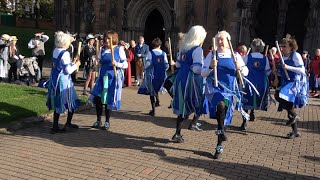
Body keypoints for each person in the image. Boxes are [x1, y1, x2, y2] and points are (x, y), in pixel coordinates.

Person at [201, 30, 249, 159]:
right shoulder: (211, 55)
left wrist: (240, 67)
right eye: (218, 39)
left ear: (228, 42)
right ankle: (221, 133)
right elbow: (203, 73)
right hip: (215, 89)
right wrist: (211, 67)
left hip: (229, 90)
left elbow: (246, 71)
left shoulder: (235, 55)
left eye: (222, 39)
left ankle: (219, 145)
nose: (220, 42)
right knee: (221, 106)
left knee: (223, 119)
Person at [171, 25, 207, 143]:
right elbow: (197, 68)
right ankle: (193, 123)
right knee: (198, 101)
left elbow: (178, 65)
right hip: (192, 81)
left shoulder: (183, 48)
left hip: (181, 78)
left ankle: (178, 133)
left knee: (182, 106)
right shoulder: (197, 50)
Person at [90, 30, 128, 130]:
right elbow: (99, 62)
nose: (106, 40)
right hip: (102, 77)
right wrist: (96, 62)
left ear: (113, 39)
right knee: (98, 98)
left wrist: (117, 64)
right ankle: (98, 120)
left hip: (112, 78)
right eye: (105, 38)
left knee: (108, 100)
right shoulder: (102, 49)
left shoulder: (119, 49)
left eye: (108, 38)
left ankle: (107, 121)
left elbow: (126, 64)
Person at [46, 31, 81, 133]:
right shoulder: (65, 53)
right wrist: (76, 65)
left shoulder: (55, 50)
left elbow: (61, 65)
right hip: (63, 81)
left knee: (58, 101)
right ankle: (67, 123)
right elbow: (68, 70)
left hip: (54, 79)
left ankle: (55, 125)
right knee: (71, 100)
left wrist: (72, 63)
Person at [274, 34, 308, 139]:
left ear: (291, 47)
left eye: (284, 46)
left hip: (295, 82)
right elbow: (281, 72)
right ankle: (295, 130)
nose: (282, 48)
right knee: (287, 103)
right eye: (281, 46)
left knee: (279, 95)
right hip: (286, 82)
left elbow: (302, 70)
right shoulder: (282, 57)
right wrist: (276, 73)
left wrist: (288, 67)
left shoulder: (295, 55)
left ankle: (294, 116)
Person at [240, 38, 271, 131]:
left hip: (248, 82)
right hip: (260, 83)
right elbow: (268, 72)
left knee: (246, 100)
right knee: (255, 98)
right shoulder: (265, 59)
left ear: (252, 46)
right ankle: (252, 113)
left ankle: (244, 122)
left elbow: (241, 70)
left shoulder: (247, 57)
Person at [138, 38, 169, 116]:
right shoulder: (163, 53)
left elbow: (148, 64)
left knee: (152, 91)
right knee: (157, 88)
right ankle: (158, 102)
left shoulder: (150, 53)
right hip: (161, 74)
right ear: (160, 45)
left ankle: (153, 110)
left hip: (152, 75)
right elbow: (166, 65)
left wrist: (144, 69)